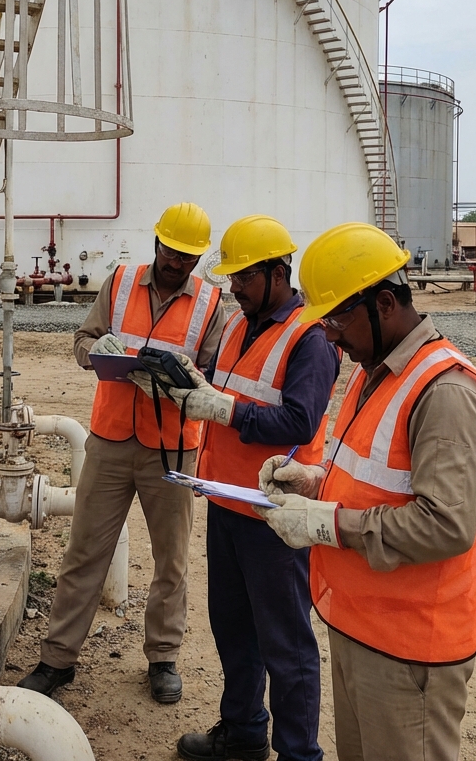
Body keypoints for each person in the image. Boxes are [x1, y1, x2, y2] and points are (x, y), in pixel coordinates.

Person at [257, 222, 476, 761]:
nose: (331, 337)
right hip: (363, 626)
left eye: (337, 320)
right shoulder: (379, 372)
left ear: (384, 303)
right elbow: (383, 481)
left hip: (410, 648)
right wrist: (315, 482)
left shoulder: (446, 393)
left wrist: (326, 524)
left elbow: (446, 524)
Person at [18, 202, 226, 705]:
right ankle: (57, 659)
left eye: (189, 258)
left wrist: (184, 378)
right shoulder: (120, 282)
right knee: (85, 551)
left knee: (171, 559)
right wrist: (98, 353)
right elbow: (82, 338)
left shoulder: (210, 303)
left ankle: (163, 656)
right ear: (157, 244)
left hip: (173, 449)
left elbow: (215, 373)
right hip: (111, 439)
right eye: (173, 253)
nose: (179, 264)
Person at [171, 216, 340, 761]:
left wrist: (224, 407)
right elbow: (231, 394)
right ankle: (243, 732)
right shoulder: (240, 323)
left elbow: (300, 422)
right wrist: (196, 389)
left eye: (243, 276)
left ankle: (297, 754)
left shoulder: (310, 339)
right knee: (234, 631)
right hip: (227, 503)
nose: (233, 287)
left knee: (286, 646)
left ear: (276, 272)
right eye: (233, 277)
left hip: (275, 516)